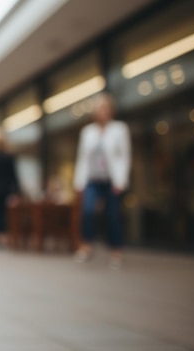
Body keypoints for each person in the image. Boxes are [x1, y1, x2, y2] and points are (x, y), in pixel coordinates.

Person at [72, 92, 131, 269]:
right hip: (92, 180)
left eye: (105, 108)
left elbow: (125, 156)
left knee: (113, 216)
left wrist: (121, 181)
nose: (102, 112)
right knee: (87, 212)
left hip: (112, 181)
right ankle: (86, 247)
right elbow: (82, 158)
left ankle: (116, 251)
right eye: (99, 108)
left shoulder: (119, 129)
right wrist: (78, 183)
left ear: (111, 110)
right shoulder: (88, 132)